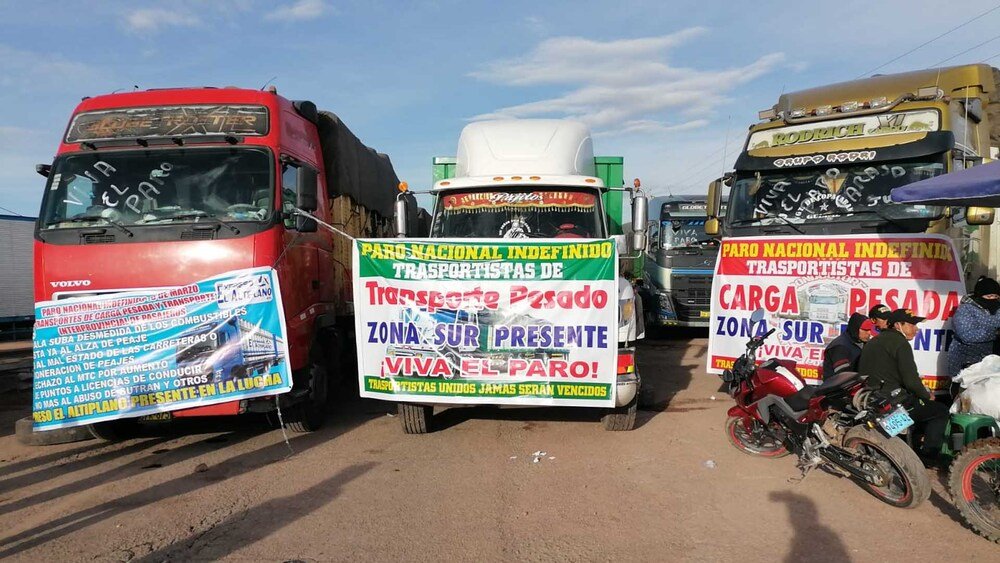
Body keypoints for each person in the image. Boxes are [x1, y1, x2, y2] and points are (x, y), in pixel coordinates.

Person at [857, 309, 949, 461]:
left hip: (871, 399)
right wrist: (927, 395)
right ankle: (928, 457)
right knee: (940, 410)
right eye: (912, 325)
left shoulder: (873, 342)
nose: (916, 329)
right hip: (895, 401)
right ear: (899, 325)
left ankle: (905, 445)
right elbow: (912, 382)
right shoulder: (900, 344)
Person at [948, 276, 1000, 377]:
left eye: (996, 297)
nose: (993, 299)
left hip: (992, 362)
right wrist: (995, 333)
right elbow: (967, 335)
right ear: (979, 295)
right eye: (989, 297)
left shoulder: (998, 309)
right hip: (968, 361)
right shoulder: (966, 310)